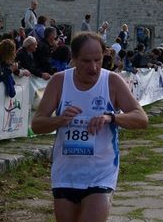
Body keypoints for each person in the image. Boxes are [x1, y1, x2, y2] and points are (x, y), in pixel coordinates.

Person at [31, 32, 148, 222]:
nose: (93, 68)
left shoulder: (111, 81)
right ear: (74, 59)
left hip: (100, 173)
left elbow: (141, 119)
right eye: (86, 61)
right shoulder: (59, 81)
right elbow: (37, 125)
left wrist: (111, 117)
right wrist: (59, 120)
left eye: (98, 60)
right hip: (65, 174)